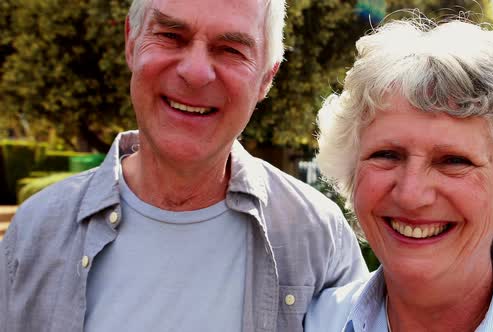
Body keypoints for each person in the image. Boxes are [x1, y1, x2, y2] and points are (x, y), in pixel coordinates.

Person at [0, 0, 369, 331]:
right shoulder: (37, 231)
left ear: (266, 78)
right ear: (131, 42)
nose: (195, 72)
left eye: (230, 49)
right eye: (171, 36)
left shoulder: (318, 237)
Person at [304, 19, 493, 332]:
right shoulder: (312, 323)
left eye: (453, 161)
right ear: (351, 172)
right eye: (386, 155)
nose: (411, 195)